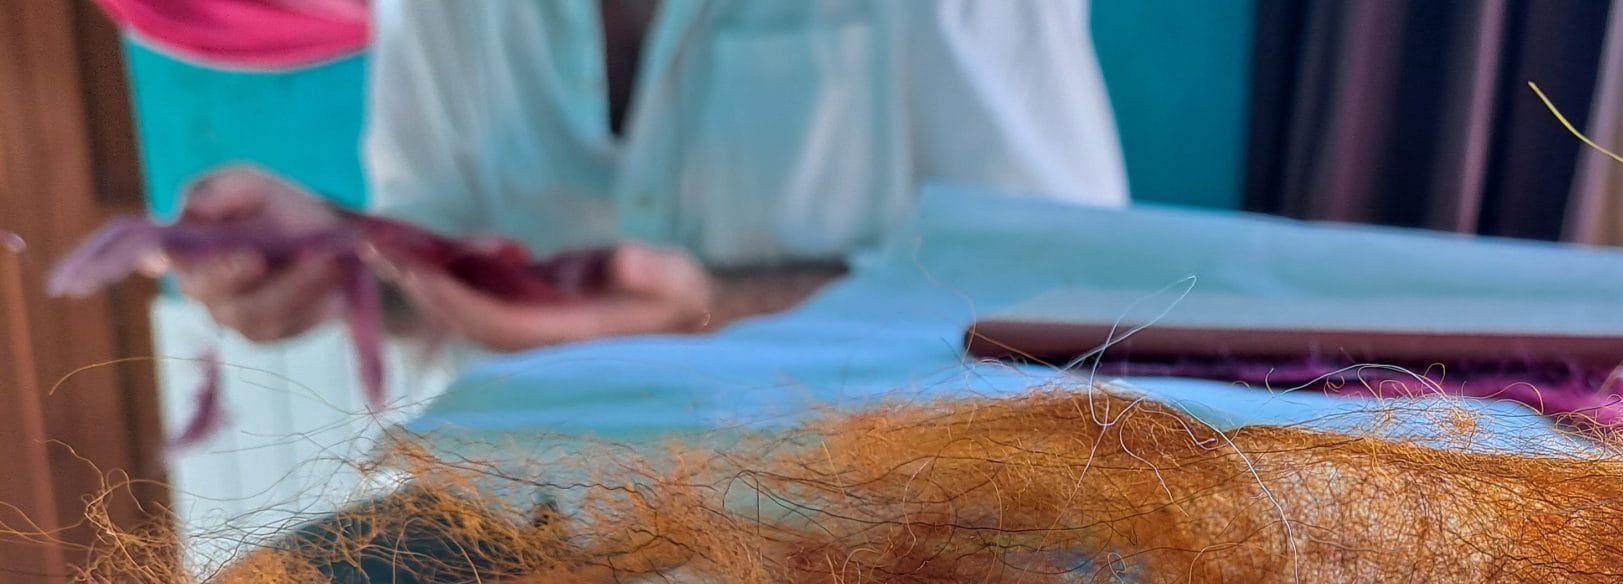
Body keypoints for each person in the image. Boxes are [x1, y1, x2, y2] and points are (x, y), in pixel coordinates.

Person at [172, 0, 1129, 352]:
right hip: (524, 547)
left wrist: (716, 307)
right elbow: (448, 254)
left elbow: (1062, 298)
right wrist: (336, 255)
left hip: (868, 561)